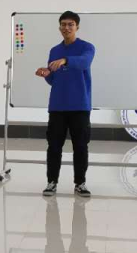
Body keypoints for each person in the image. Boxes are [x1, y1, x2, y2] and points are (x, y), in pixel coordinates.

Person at [36, 11, 96, 198]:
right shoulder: (54, 50)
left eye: (70, 24)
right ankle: (51, 182)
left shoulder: (87, 47)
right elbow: (53, 80)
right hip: (57, 106)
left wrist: (66, 60)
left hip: (80, 106)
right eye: (63, 24)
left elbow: (84, 62)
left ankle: (80, 183)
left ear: (77, 27)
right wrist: (46, 74)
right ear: (59, 27)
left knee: (80, 146)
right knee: (54, 146)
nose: (66, 28)